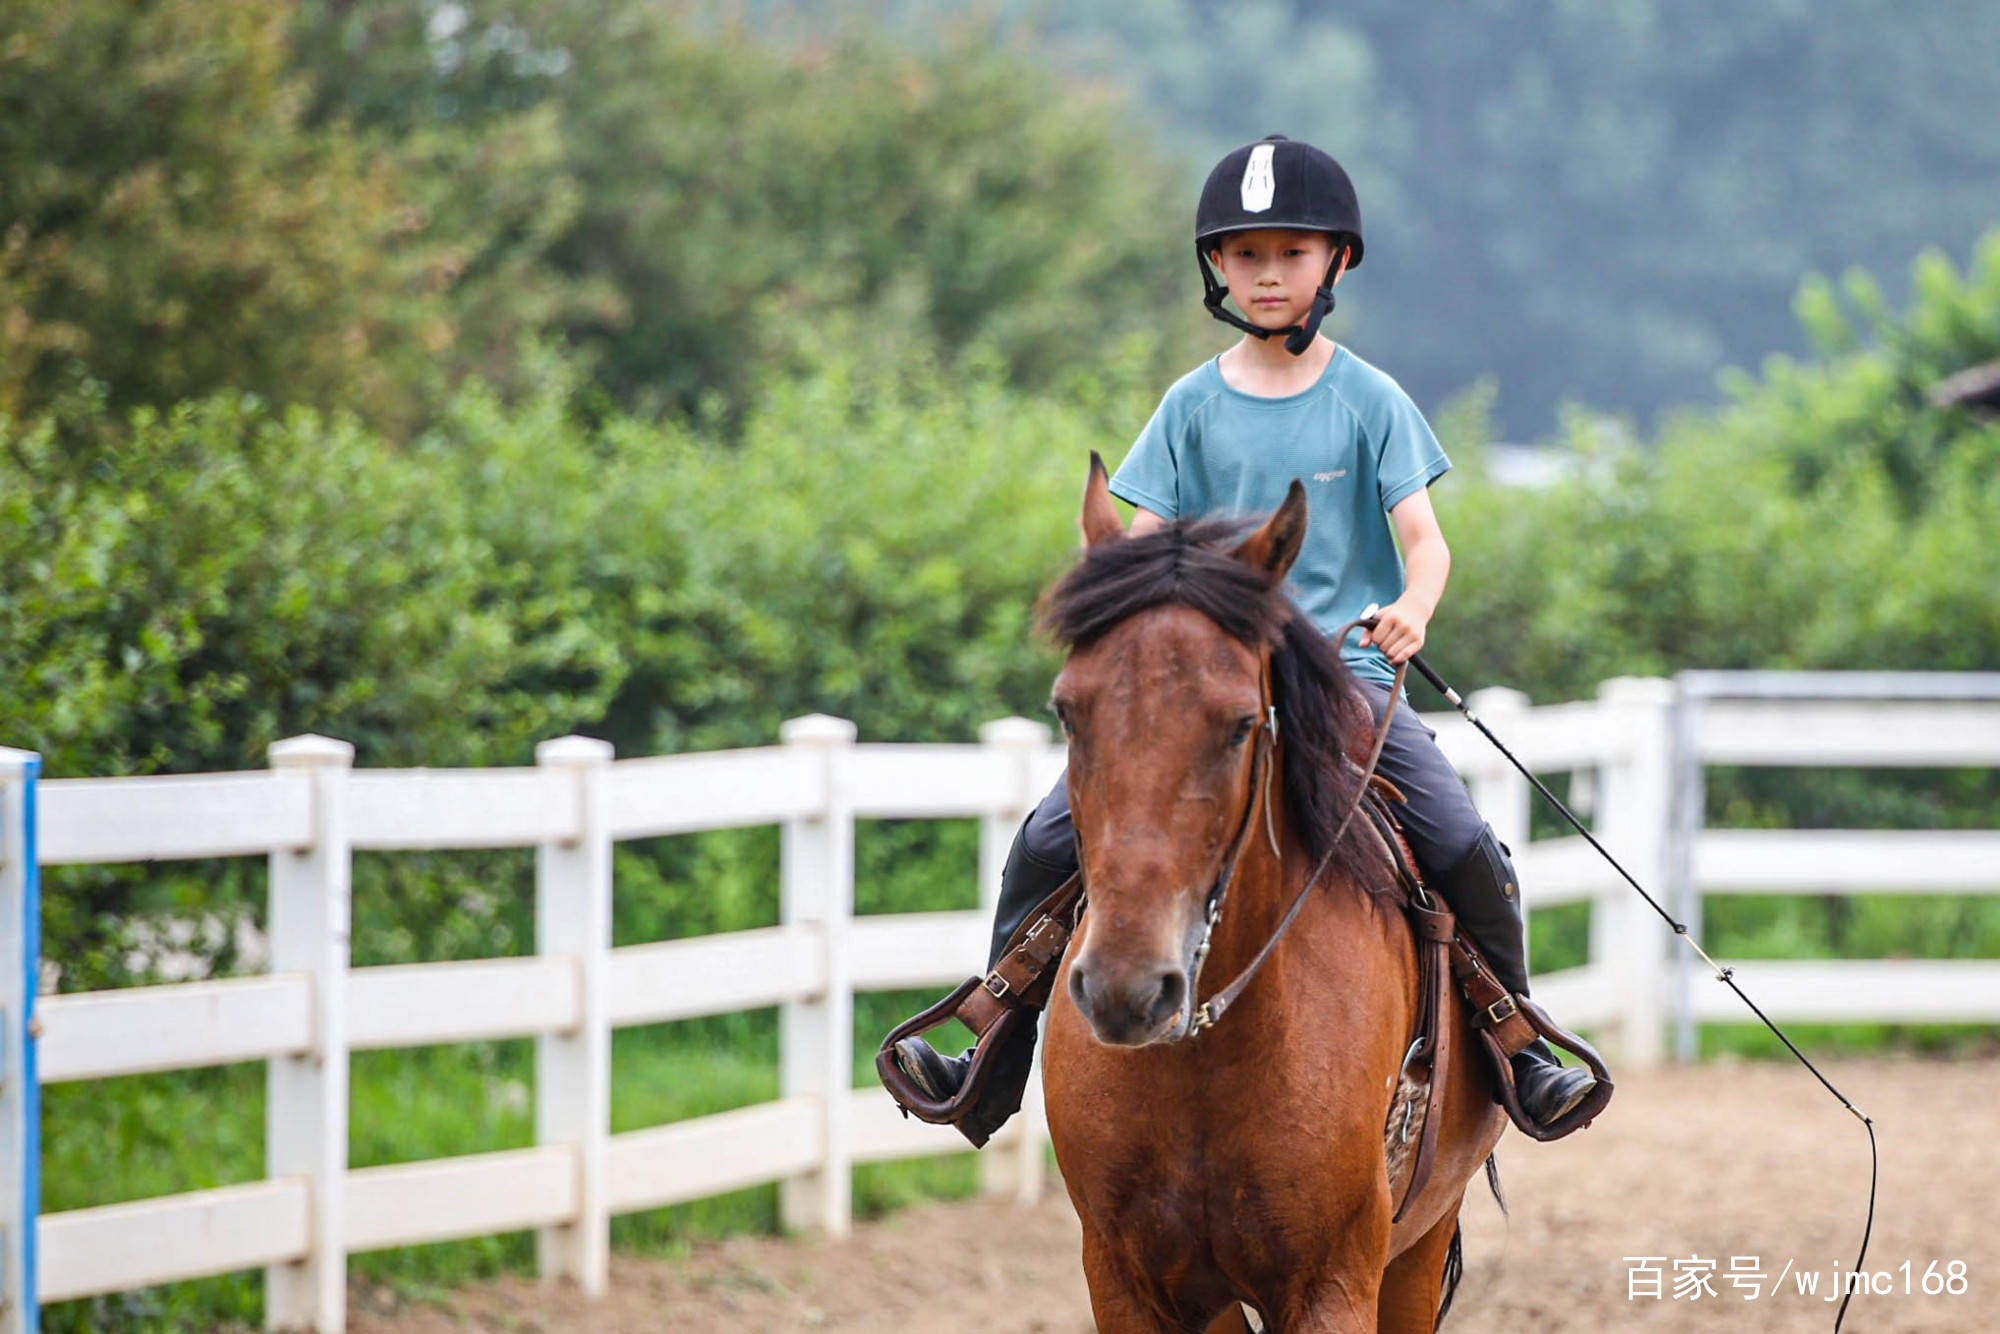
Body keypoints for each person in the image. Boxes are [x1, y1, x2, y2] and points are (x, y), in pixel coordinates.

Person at [891, 133, 1599, 1147]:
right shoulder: (1188, 404)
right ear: (1217, 268)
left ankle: (1516, 1041)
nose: (1267, 273)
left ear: (1335, 263)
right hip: (1203, 686)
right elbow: (1134, 554)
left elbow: (1424, 543)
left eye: (1291, 252)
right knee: (1046, 838)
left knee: (1455, 837)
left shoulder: (1370, 399)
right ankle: (989, 1043)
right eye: (1245, 254)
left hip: (1341, 677)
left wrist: (1411, 609)